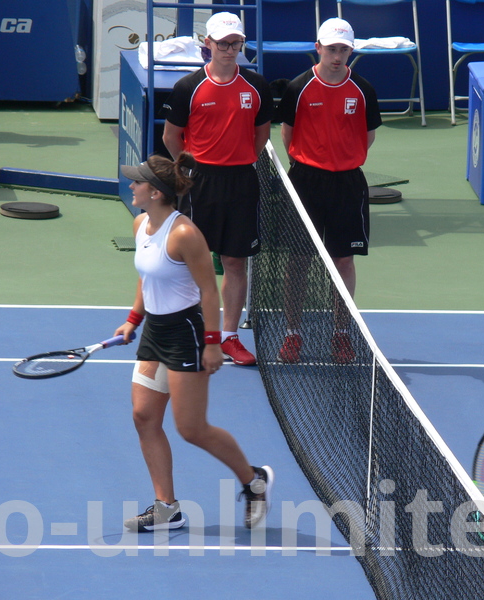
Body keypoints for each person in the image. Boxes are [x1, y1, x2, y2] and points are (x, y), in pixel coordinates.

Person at [115, 153, 273, 532]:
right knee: (144, 416)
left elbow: (208, 292)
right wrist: (133, 319)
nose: (131, 186)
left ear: (155, 192)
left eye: (137, 182)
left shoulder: (184, 233)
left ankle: (254, 481)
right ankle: (167, 508)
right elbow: (145, 277)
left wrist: (213, 343)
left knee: (191, 429)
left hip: (187, 333)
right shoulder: (141, 224)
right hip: (156, 330)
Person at [162, 11, 274, 366]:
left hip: (242, 180)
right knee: (192, 261)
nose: (230, 49)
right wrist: (193, 170)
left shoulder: (256, 86)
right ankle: (192, 330)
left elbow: (262, 134)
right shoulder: (187, 87)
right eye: (223, 43)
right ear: (207, 44)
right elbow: (171, 136)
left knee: (235, 261)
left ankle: (228, 336)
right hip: (201, 183)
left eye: (236, 43)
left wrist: (240, 161)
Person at [275, 18, 382, 364]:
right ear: (318, 48)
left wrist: (344, 159)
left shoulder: (363, 89)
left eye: (344, 50)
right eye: (332, 49)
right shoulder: (298, 88)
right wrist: (309, 161)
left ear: (352, 50)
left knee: (344, 259)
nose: (338, 56)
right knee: (299, 260)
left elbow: (368, 136)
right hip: (306, 181)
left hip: (348, 183)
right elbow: (287, 135)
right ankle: (293, 333)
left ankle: (341, 334)